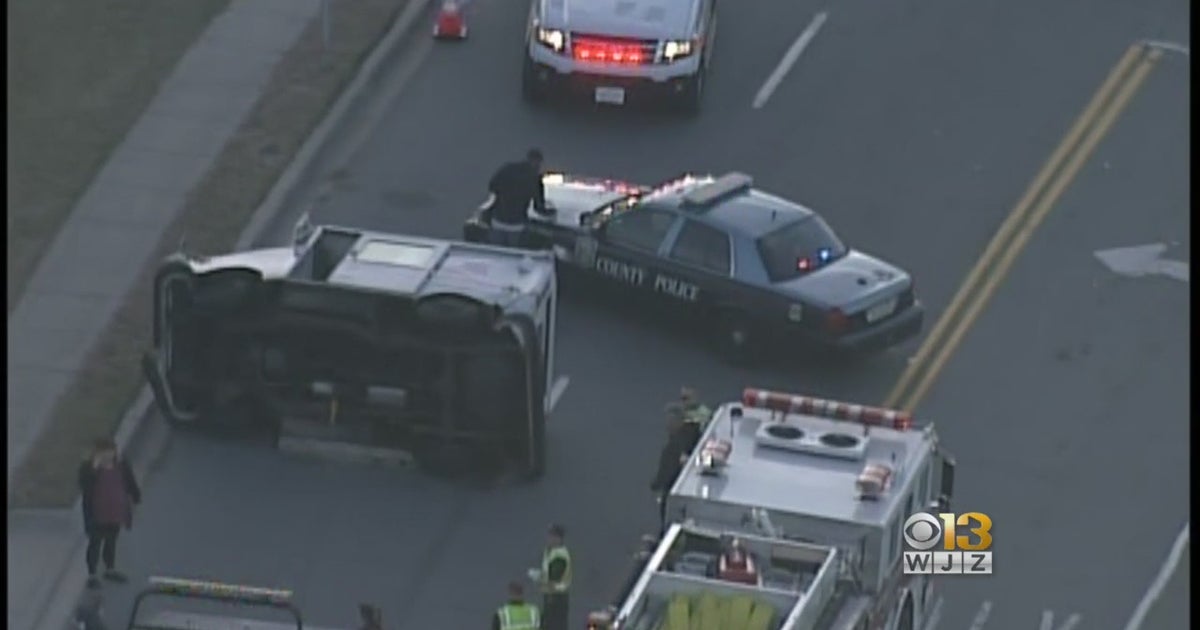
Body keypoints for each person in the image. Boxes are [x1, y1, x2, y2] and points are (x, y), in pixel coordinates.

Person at [78, 437, 141, 589]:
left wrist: (136, 495)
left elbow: (129, 481)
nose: (108, 455)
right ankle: (92, 574)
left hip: (114, 510)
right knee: (95, 542)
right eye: (104, 452)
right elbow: (85, 486)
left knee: (111, 540)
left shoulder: (121, 465)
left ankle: (109, 568)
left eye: (111, 451)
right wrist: (94, 468)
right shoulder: (88, 468)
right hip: (97, 512)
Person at [486, 148, 554, 247]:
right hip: (516, 224)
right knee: (513, 255)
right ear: (538, 162)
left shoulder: (507, 168)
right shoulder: (534, 179)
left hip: (498, 220)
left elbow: (492, 186)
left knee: (495, 254)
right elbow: (538, 208)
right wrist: (551, 213)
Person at [650, 403, 700, 530]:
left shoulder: (676, 445)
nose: (668, 424)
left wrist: (656, 483)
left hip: (676, 492)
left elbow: (667, 471)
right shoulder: (692, 436)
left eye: (671, 421)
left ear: (680, 421)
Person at [538, 524, 572, 630]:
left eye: (552, 536)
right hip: (551, 596)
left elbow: (553, 578)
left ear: (559, 539)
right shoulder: (550, 551)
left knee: (555, 626)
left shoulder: (560, 556)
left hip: (557, 598)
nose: (549, 539)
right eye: (549, 535)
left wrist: (541, 580)